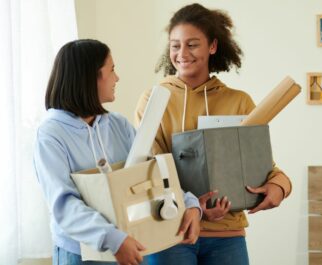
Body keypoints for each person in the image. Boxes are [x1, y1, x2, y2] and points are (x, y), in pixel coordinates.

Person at [135, 4, 292, 265]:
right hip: (171, 233)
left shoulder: (240, 102)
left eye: (192, 44)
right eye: (175, 46)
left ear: (212, 46)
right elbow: (151, 168)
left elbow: (262, 166)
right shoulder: (153, 100)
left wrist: (280, 187)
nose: (182, 54)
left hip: (227, 236)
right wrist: (195, 207)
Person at [34, 39, 201, 265]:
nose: (117, 78)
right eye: (111, 70)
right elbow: (64, 205)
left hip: (125, 246)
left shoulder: (118, 125)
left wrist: (190, 204)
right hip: (81, 254)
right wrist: (113, 239)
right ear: (89, 77)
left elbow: (151, 174)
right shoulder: (51, 135)